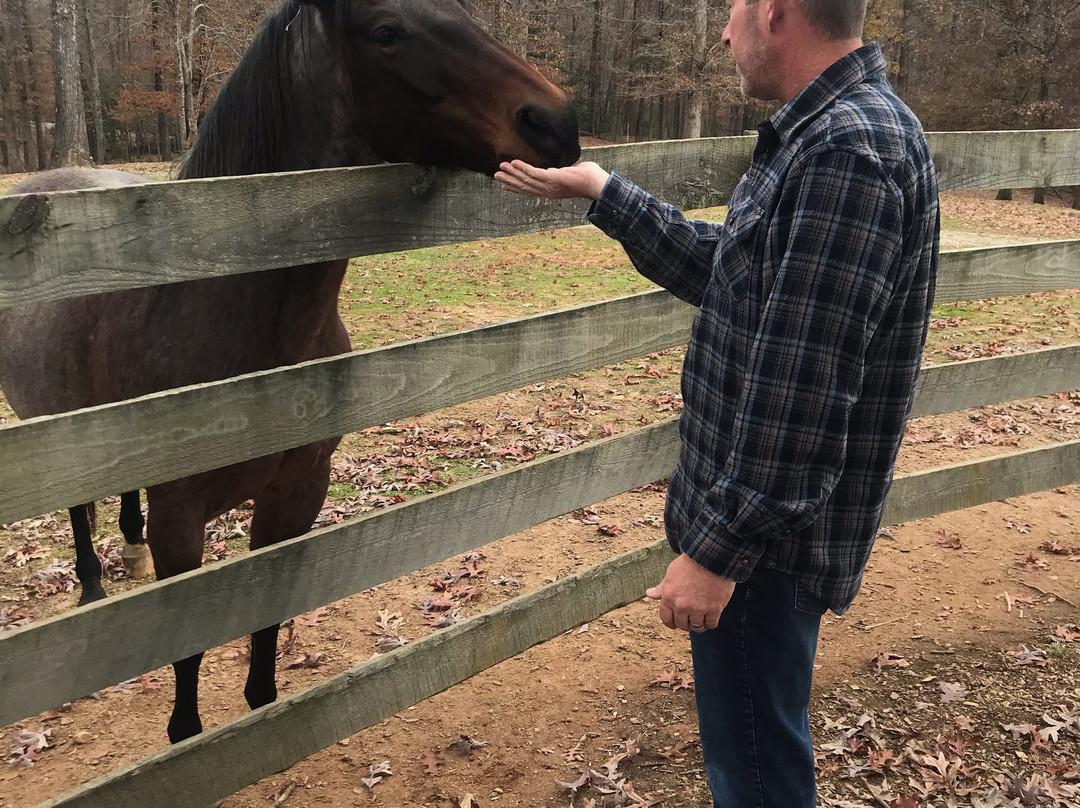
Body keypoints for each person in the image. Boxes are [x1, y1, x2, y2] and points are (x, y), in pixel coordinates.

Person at [495, 0, 939, 805]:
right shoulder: (835, 130)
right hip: (761, 529)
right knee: (757, 745)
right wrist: (604, 191)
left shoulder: (847, 152)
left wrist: (717, 554)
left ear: (774, 14)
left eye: (732, 11)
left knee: (758, 772)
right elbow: (736, 275)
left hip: (762, 546)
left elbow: (803, 390)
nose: (724, 33)